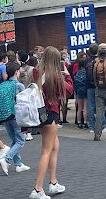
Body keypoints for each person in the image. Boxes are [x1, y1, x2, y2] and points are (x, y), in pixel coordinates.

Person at [30, 46, 74, 198]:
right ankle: (37, 189)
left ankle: (53, 182)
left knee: (54, 146)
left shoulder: (37, 71)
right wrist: (67, 76)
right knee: (46, 151)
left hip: (40, 113)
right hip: (51, 112)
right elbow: (68, 91)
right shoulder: (55, 76)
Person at [0, 62, 30, 174]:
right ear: (16, 72)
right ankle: (6, 159)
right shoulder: (19, 85)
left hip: (5, 115)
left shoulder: (2, 85)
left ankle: (18, 164)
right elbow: (24, 102)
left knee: (15, 140)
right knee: (20, 140)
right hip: (16, 115)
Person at [74, 58, 88, 129]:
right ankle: (85, 122)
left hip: (79, 90)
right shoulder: (86, 72)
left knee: (79, 107)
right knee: (85, 107)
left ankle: (79, 122)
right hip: (85, 90)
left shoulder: (76, 72)